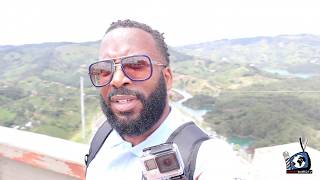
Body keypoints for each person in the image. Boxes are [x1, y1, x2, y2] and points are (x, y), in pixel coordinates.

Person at [85, 19, 248, 180]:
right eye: (104, 69)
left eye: (135, 65)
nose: (118, 79)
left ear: (167, 78)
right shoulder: (102, 137)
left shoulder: (207, 157)